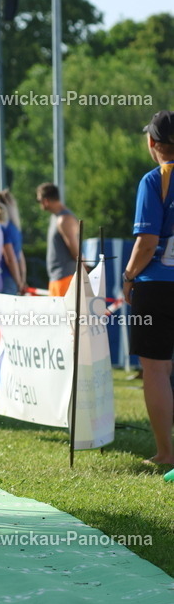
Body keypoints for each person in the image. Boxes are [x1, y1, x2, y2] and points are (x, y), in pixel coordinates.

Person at [122, 110, 174, 468]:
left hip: (157, 286)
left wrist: (128, 275)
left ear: (152, 142)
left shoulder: (155, 179)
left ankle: (166, 453)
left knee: (156, 370)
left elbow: (147, 242)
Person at [36, 182, 80, 296]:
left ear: (45, 200)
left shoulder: (64, 219)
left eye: (39, 200)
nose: (39, 204)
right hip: (58, 279)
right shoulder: (56, 217)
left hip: (65, 279)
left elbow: (76, 252)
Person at [0, 189, 26, 295]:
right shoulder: (15, 228)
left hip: (5, 278)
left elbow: (10, 259)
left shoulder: (2, 229)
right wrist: (22, 279)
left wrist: (18, 282)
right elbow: (20, 256)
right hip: (13, 278)